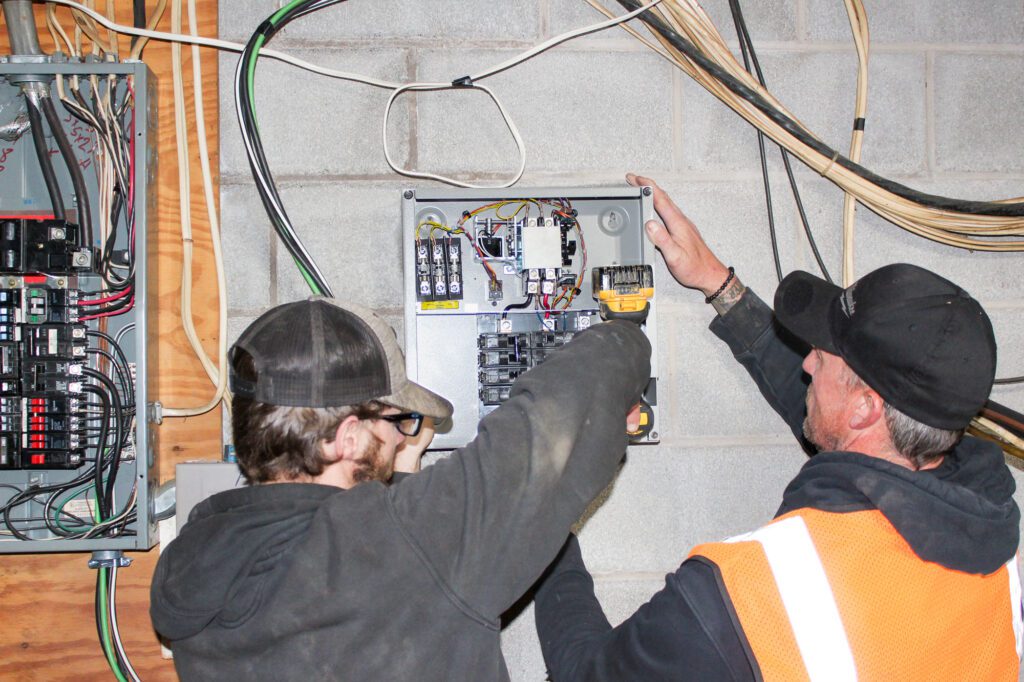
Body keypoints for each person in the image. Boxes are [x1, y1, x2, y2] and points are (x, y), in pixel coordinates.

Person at [533, 174, 1023, 681]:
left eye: (823, 356)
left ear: (866, 410)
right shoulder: (991, 538)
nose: (808, 363)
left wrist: (546, 509)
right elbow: (830, 425)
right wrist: (719, 285)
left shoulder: (747, 594)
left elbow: (584, 673)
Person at [149, 297, 650, 680]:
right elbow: (571, 402)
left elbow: (377, 604)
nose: (399, 435)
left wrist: (398, 472)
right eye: (394, 420)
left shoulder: (192, 560)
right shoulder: (407, 542)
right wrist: (624, 329)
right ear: (347, 438)